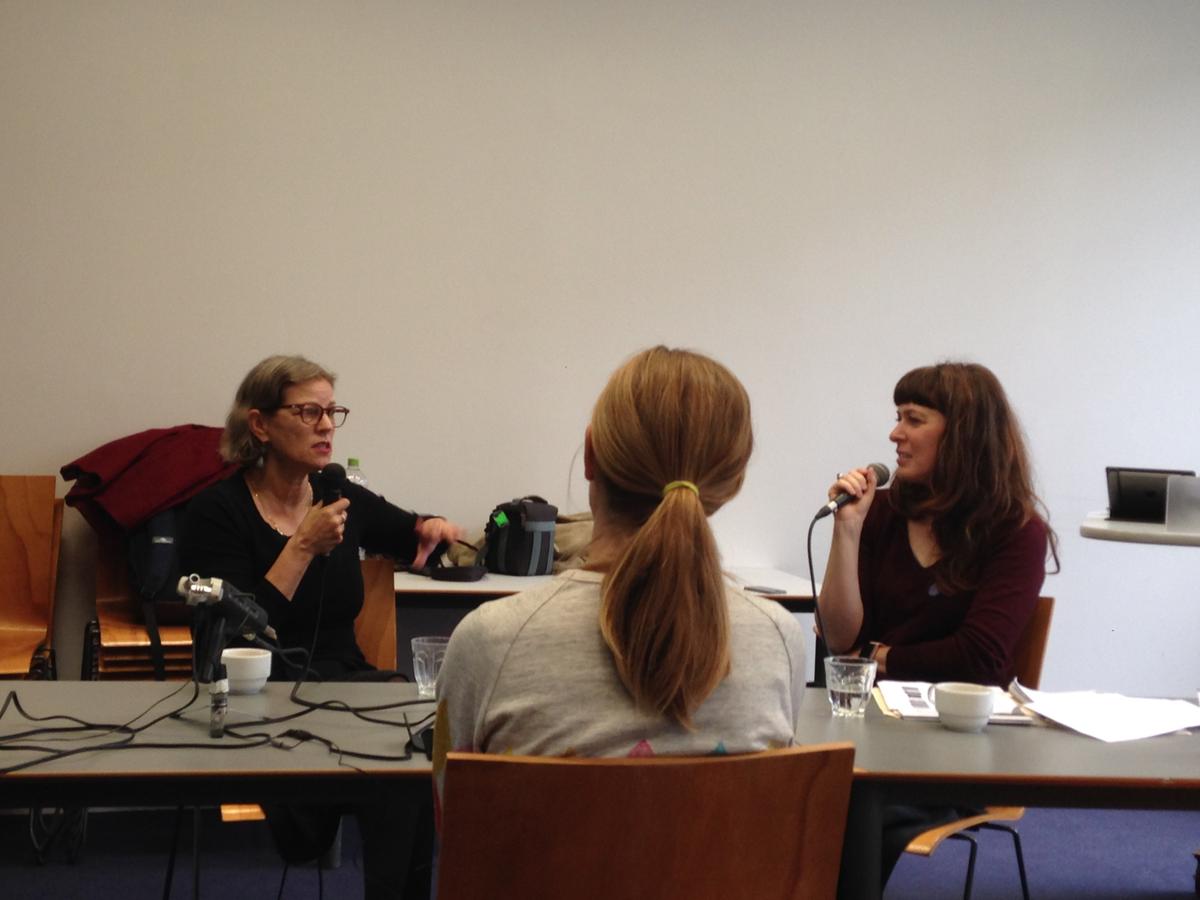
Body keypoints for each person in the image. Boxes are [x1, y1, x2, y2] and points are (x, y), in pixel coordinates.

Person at [436, 346, 806, 779]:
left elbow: (456, 823)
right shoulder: (780, 640)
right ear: (733, 481)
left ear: (591, 455)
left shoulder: (490, 642)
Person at [180, 353, 462, 900]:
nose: (327, 425)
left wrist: (430, 528)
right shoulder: (216, 512)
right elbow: (238, 634)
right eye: (309, 411)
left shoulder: (339, 494)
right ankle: (313, 818)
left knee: (409, 745)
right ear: (260, 424)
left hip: (345, 686)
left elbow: (410, 531)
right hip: (253, 690)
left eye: (334, 412)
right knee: (393, 743)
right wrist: (303, 546)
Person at [817, 360, 1058, 886]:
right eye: (897, 416)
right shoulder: (879, 513)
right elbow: (839, 642)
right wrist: (848, 533)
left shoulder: (1015, 532)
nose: (894, 433)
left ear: (963, 433)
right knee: (803, 798)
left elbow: (980, 658)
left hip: (959, 745)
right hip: (869, 734)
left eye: (913, 418)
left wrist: (879, 657)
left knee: (855, 812)